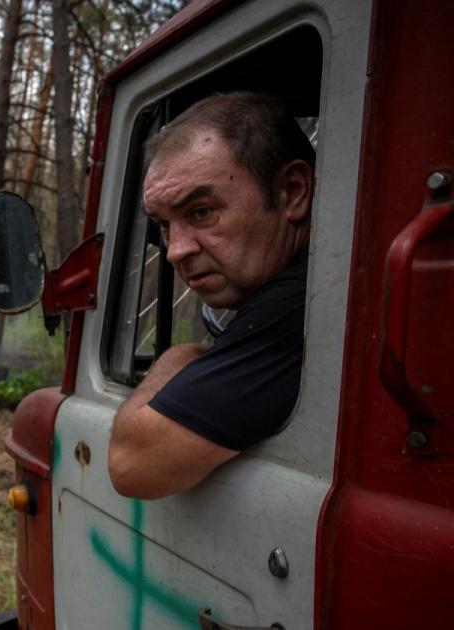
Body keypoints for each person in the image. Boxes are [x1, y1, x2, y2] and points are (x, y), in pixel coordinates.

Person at [107, 92, 316, 500]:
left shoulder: (300, 304)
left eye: (201, 212)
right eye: (165, 226)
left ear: (293, 192)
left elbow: (132, 463)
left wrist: (177, 357)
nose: (175, 251)